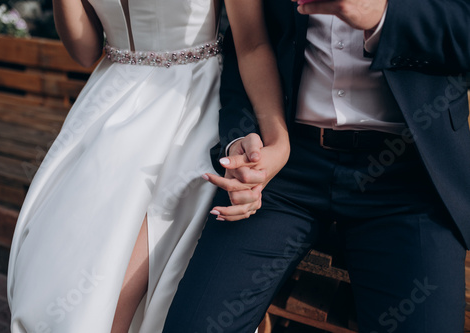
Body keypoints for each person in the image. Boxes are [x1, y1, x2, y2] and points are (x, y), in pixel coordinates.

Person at [164, 0, 470, 332]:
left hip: (409, 176)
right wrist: (244, 136)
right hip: (286, 163)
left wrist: (384, 16)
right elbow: (250, 42)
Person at [6, 0, 225, 332]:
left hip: (194, 100)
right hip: (109, 101)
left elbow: (255, 41)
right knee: (56, 258)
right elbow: (85, 51)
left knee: (118, 276)